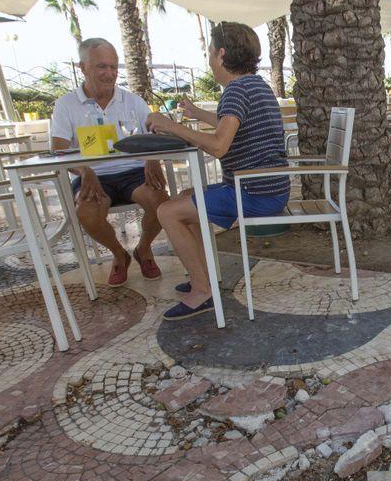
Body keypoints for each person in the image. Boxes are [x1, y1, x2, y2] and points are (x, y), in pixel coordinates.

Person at [147, 22, 290, 320]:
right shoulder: (254, 85)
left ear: (222, 54)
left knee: (167, 212)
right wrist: (196, 114)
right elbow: (232, 125)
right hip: (266, 187)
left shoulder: (236, 90)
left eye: (210, 52)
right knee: (188, 197)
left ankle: (202, 291)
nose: (209, 59)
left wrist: (171, 126)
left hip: (253, 191)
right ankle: (205, 276)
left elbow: (219, 146)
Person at [50, 38, 170, 287]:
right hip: (92, 176)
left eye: (114, 67)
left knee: (162, 203)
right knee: (87, 214)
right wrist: (84, 171)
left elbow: (152, 135)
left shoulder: (132, 100)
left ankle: (143, 249)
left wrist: (151, 158)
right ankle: (119, 254)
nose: (110, 73)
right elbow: (59, 150)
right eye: (102, 67)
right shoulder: (66, 105)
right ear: (82, 67)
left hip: (132, 171)